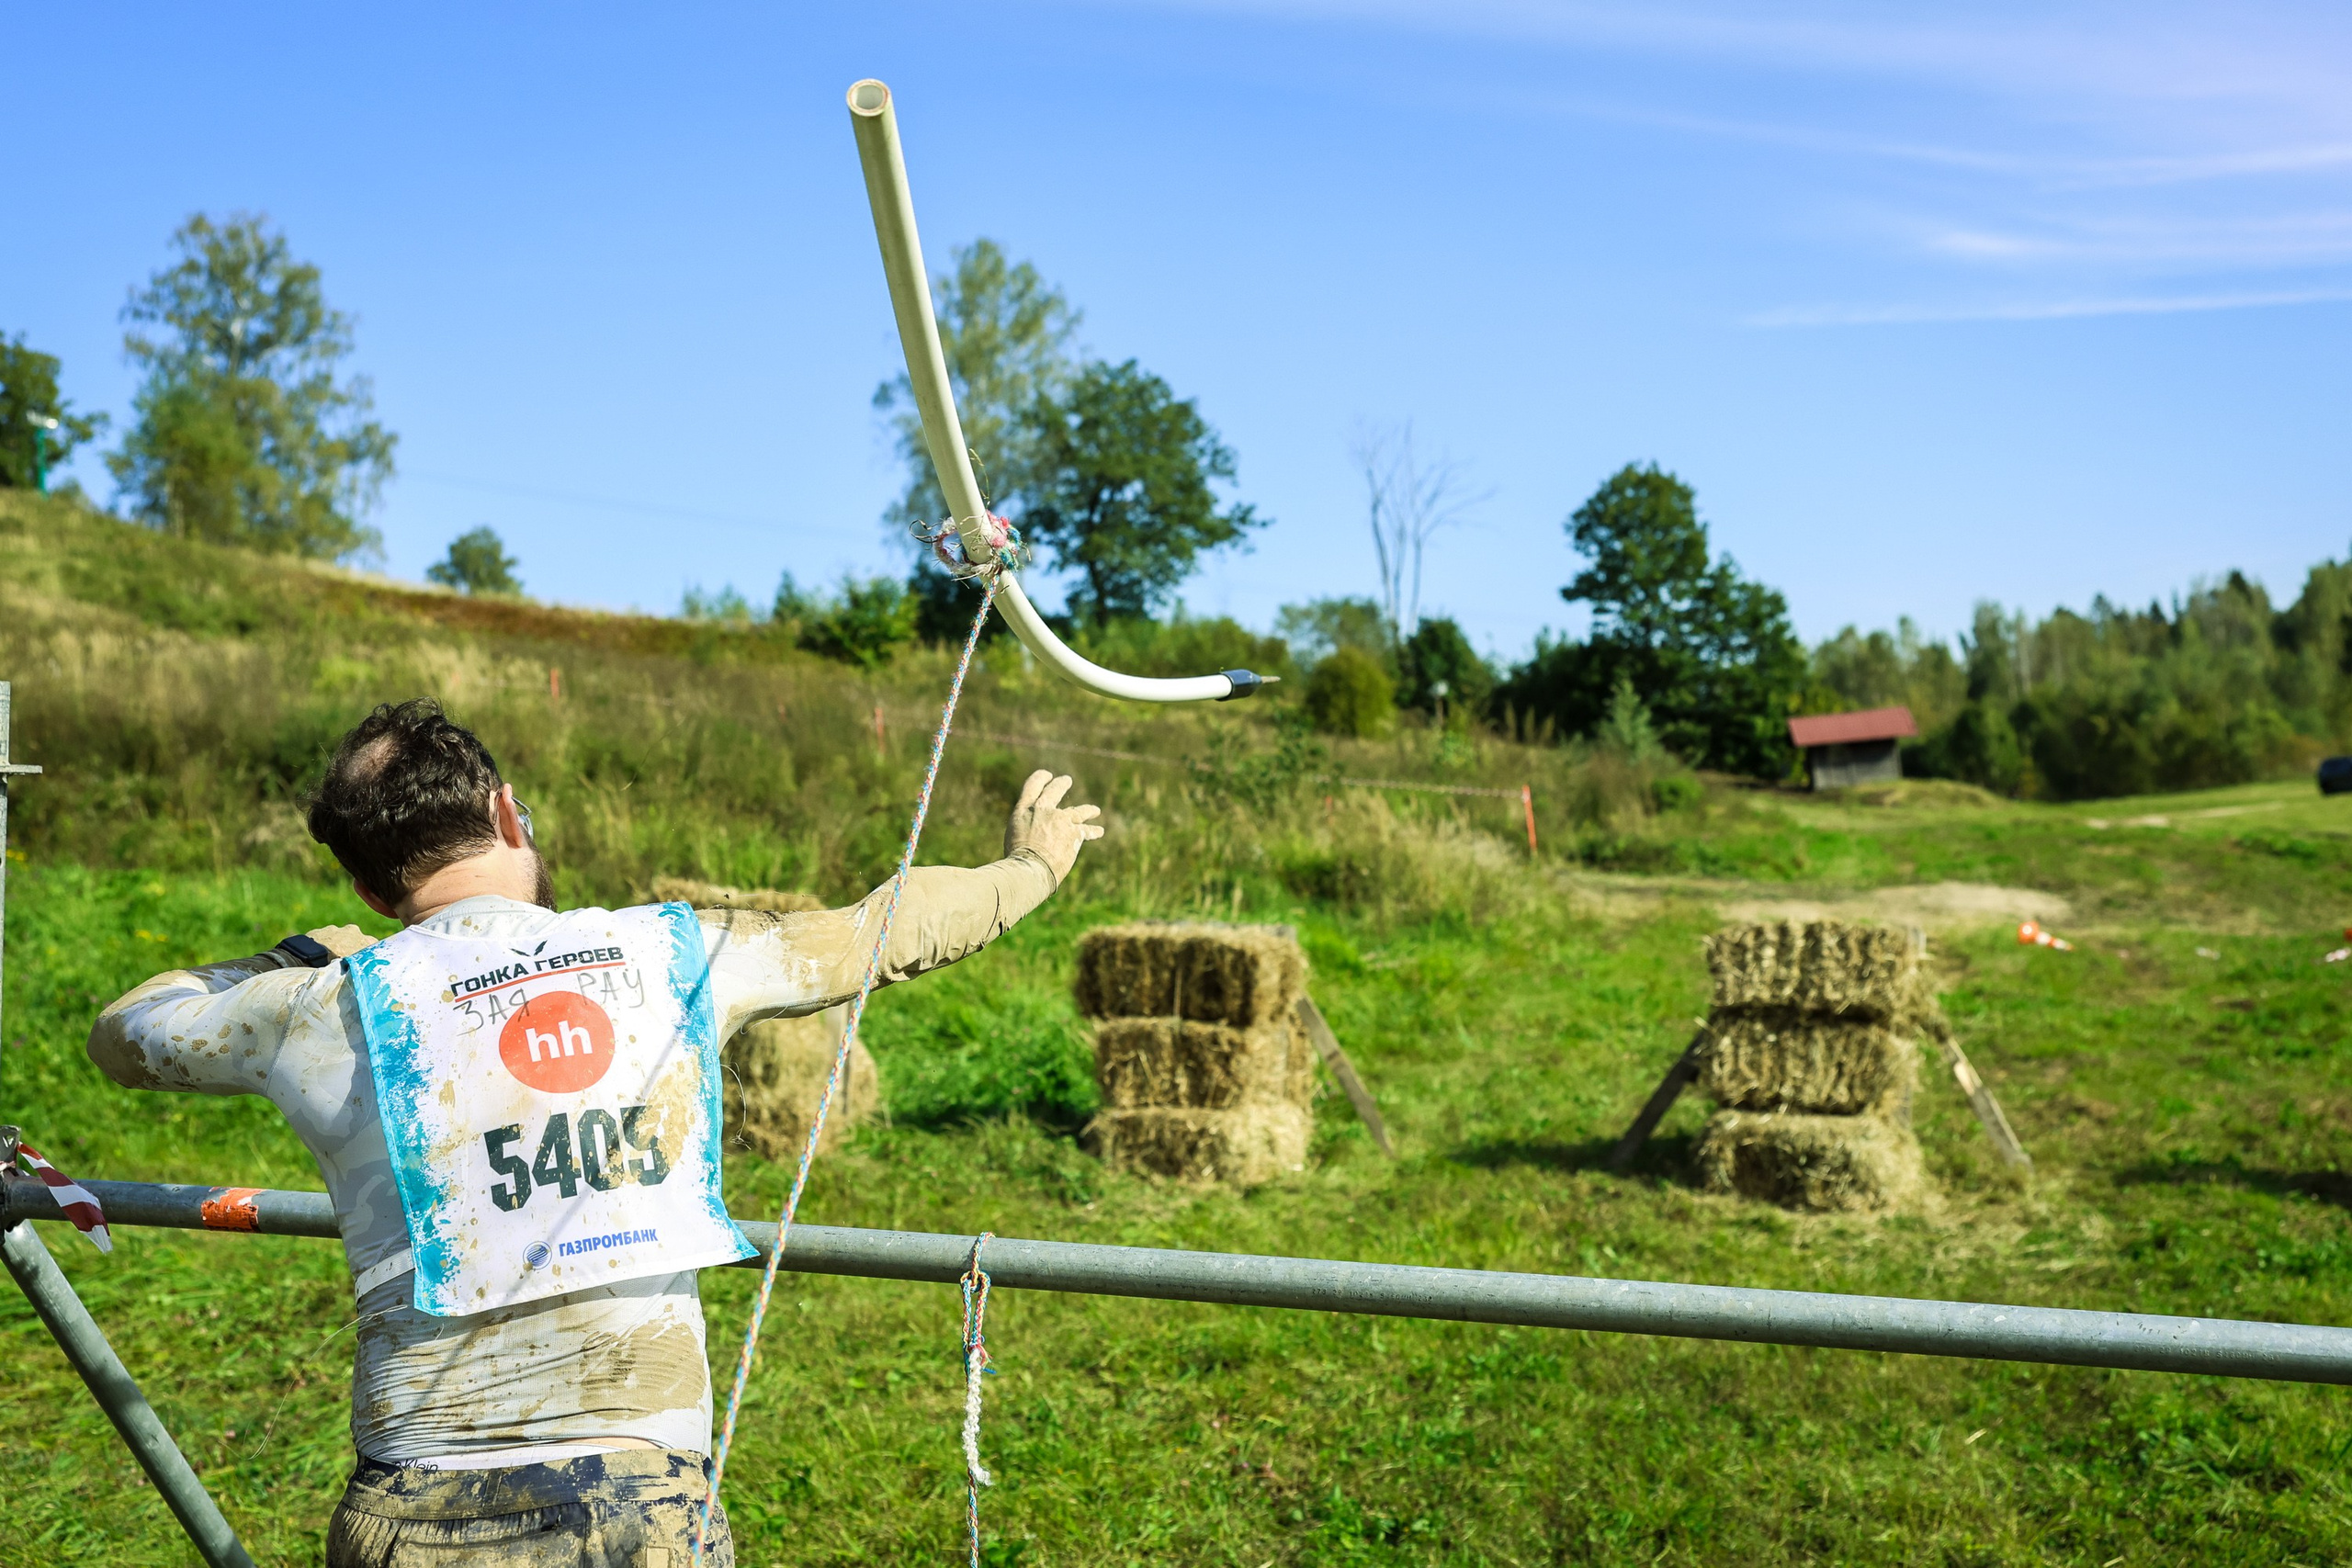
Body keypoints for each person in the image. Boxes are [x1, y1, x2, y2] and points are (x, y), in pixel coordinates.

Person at [86, 698, 1102, 1566]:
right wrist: (1031, 866)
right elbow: (882, 929)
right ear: (507, 812)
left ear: (366, 890)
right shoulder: (664, 950)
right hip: (637, 1503)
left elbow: (128, 1029)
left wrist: (291, 957)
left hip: (412, 1505)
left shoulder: (316, 1004)